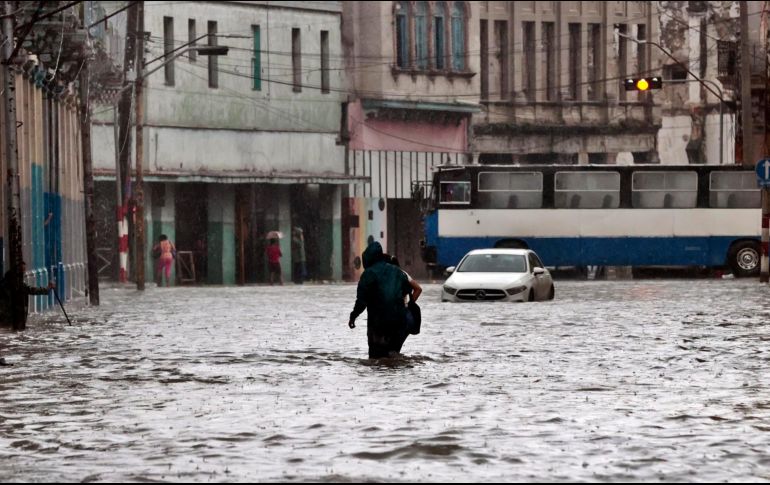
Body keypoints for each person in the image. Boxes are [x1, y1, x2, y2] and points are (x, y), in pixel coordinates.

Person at [347, 242, 412, 359]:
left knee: (376, 358)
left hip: (378, 324)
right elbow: (408, 290)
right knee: (393, 356)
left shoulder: (368, 274)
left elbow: (361, 301)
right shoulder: (397, 271)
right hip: (399, 322)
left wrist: (353, 316)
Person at [0, 261, 55, 331]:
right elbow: (31, 290)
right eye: (22, 270)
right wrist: (47, 288)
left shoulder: (6, 281)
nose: (24, 273)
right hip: (11, 316)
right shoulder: (17, 284)